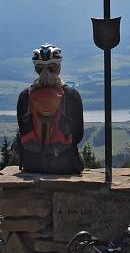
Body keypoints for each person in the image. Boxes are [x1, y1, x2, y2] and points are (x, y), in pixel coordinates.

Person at [16, 43, 84, 174]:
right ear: (59, 68)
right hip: (65, 163)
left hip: (31, 164)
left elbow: (23, 131)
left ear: (36, 69)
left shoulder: (25, 96)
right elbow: (78, 135)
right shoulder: (72, 95)